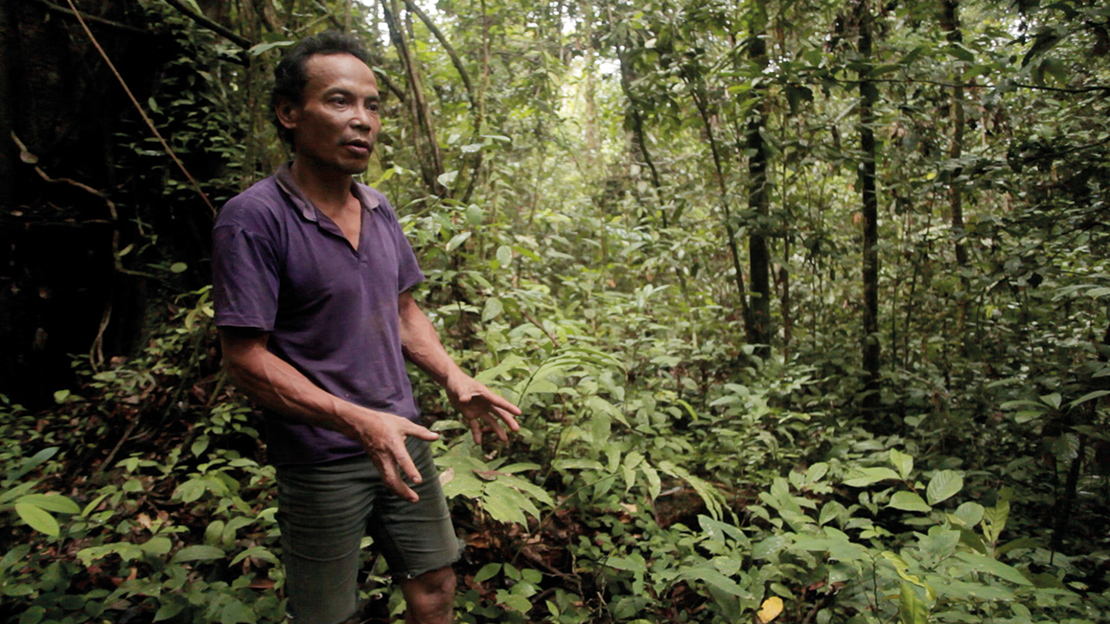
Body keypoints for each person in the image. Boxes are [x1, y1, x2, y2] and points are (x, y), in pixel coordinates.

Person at [211, 31, 521, 624]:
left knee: (435, 586)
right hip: (319, 455)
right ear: (289, 114)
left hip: (404, 437)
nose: (362, 121)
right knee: (326, 612)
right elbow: (245, 358)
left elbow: (402, 311)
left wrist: (454, 377)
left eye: (373, 105)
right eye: (339, 101)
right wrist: (355, 420)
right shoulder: (252, 219)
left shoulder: (379, 209)